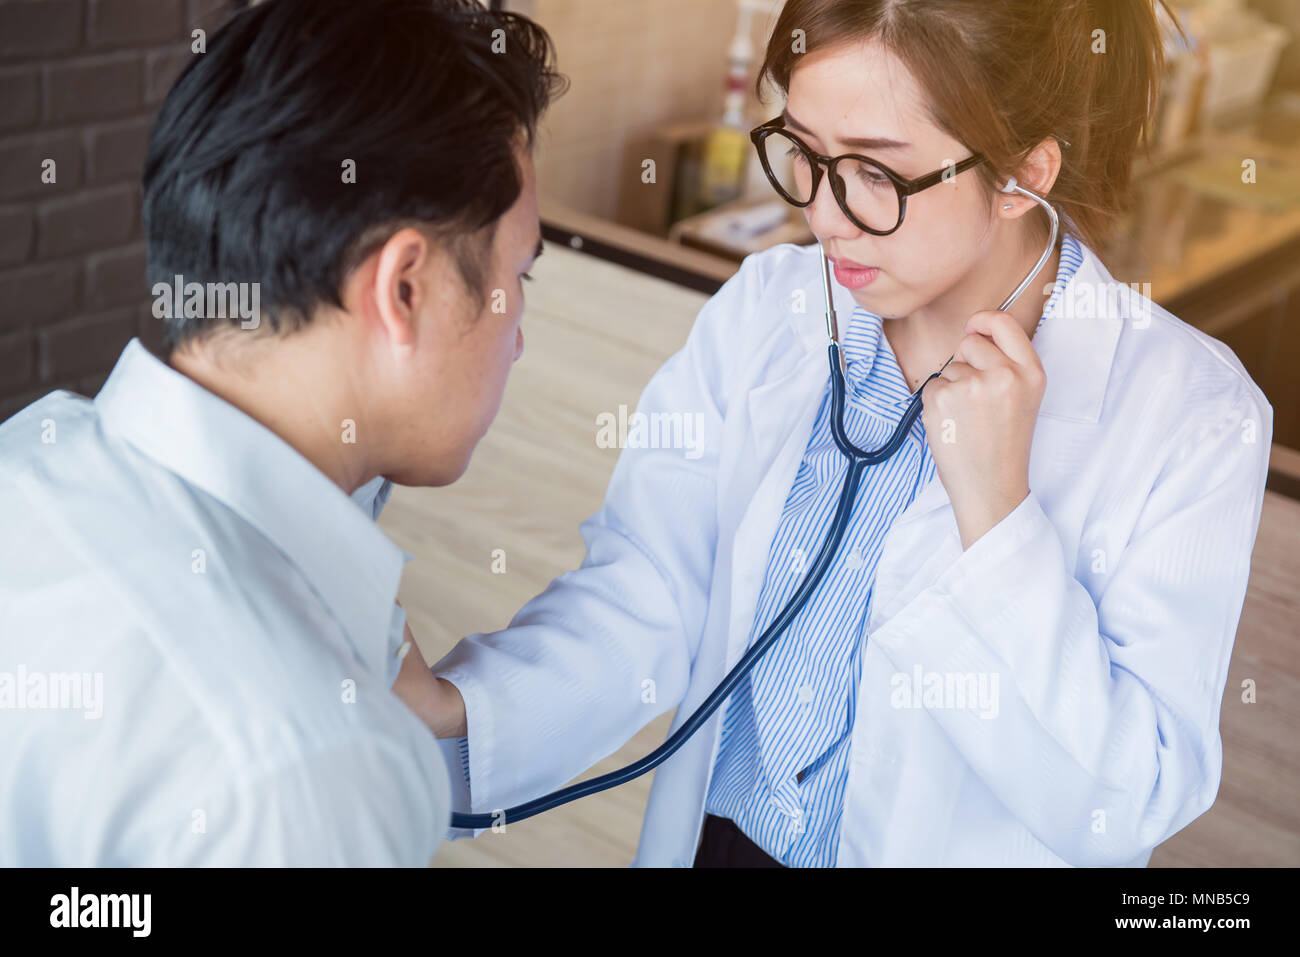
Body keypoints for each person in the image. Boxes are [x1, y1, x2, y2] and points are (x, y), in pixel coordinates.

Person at [413, 0, 1273, 867]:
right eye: (805, 153)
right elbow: (651, 592)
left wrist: (999, 520)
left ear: (1024, 174)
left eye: (873, 173)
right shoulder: (766, 308)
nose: (824, 216)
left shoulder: (1191, 415)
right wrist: (456, 710)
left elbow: (1123, 805)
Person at [0, 0, 564, 865]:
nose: (519, 333)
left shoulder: (30, 459)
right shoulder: (311, 769)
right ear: (404, 289)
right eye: (517, 274)